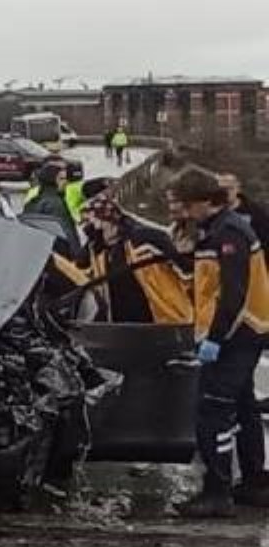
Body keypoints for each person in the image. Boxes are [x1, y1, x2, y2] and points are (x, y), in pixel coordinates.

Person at [171, 169, 269, 517]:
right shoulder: (216, 230)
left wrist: (214, 339)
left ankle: (217, 490)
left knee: (213, 410)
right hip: (242, 332)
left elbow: (233, 295)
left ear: (202, 202)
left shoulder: (229, 233)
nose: (181, 212)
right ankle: (256, 481)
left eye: (184, 204)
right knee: (243, 406)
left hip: (237, 335)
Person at [70, 181, 191, 324]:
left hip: (161, 322)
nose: (89, 227)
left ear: (107, 221)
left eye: (92, 221)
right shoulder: (97, 249)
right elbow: (78, 273)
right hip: (121, 326)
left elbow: (186, 271)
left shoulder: (144, 239)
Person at [220, 172, 269, 268]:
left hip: (251, 267)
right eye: (222, 189)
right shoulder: (212, 215)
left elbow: (265, 241)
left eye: (230, 188)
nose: (226, 193)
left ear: (238, 189)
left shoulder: (254, 212)